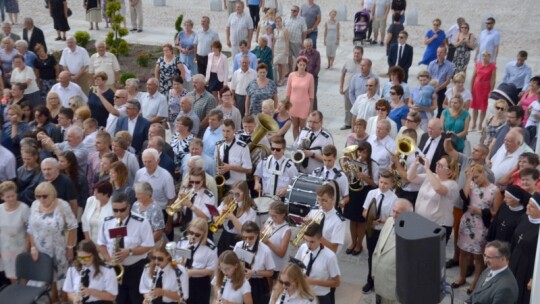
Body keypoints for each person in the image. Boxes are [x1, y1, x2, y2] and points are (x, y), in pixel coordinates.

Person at [97, 192, 155, 304]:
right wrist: (109, 261)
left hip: (136, 268)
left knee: (136, 300)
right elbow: (101, 244)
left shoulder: (141, 222)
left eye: (122, 210)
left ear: (129, 207)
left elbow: (149, 245)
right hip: (116, 269)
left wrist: (129, 252)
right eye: (115, 210)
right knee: (119, 300)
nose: (118, 214)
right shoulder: (107, 222)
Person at [452, 164, 502, 294]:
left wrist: (479, 211)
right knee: (463, 251)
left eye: (477, 177)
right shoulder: (472, 185)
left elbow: (496, 212)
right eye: (473, 178)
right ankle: (461, 277)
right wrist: (469, 178)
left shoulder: (494, 190)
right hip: (467, 222)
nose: (475, 180)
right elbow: (463, 195)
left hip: (481, 226)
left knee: (477, 256)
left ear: (484, 173)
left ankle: (475, 282)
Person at [28, 181, 78, 303]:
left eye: (44, 196)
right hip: (41, 250)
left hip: (59, 249)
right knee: (48, 278)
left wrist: (70, 247)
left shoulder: (62, 205)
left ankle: (63, 299)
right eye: (38, 196)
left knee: (62, 279)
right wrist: (33, 247)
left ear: (52, 194)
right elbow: (30, 229)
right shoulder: (35, 205)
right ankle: (53, 298)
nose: (41, 199)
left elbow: (72, 226)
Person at [361, 170, 398, 294]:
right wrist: (370, 218)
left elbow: (394, 217)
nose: (382, 185)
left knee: (382, 258)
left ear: (392, 184)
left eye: (386, 183)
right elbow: (364, 211)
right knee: (372, 255)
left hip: (384, 231)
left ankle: (380, 281)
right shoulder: (371, 193)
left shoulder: (394, 199)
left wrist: (382, 221)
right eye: (381, 182)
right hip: (371, 229)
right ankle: (370, 281)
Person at [408, 155, 459, 242]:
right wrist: (415, 164)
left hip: (438, 226)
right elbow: (410, 177)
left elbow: (438, 188)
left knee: (431, 254)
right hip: (421, 222)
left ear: (449, 171)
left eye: (441, 165)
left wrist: (427, 169)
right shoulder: (431, 176)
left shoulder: (452, 184)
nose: (437, 166)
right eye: (437, 164)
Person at [372, 199, 414, 303]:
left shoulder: (412, 236)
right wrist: (374, 271)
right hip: (380, 279)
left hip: (395, 287)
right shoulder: (390, 221)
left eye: (398, 213)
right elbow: (378, 247)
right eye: (393, 211)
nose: (394, 215)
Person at [294, 223, 340, 304]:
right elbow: (296, 265)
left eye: (312, 242)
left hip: (320, 296)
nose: (308, 245)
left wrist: (313, 281)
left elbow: (336, 282)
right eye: (306, 240)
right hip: (303, 293)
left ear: (320, 239)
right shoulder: (303, 247)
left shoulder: (330, 257)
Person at [174, 217, 217, 304]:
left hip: (199, 282)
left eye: (197, 235)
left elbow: (211, 270)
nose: (193, 236)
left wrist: (191, 272)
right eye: (191, 232)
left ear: (204, 234)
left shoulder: (210, 248)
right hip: (183, 279)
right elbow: (176, 259)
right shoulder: (183, 242)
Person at [508, 194, 540, 304]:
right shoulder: (524, 218)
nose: (527, 207)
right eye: (528, 204)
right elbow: (514, 239)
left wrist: (534, 278)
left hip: (529, 266)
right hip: (515, 258)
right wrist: (508, 257)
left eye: (532, 206)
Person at [233, 221, 275, 303]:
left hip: (258, 284)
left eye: (251, 238)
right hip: (241, 281)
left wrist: (254, 272)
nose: (247, 240)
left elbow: (270, 273)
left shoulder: (265, 250)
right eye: (245, 237)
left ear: (257, 234)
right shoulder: (238, 245)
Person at [216, 181, 256, 255]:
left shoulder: (251, 211)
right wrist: (221, 214)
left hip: (238, 239)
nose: (234, 196)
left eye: (237, 194)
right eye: (232, 193)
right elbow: (215, 217)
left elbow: (245, 231)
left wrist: (233, 218)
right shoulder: (226, 202)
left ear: (245, 193)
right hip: (225, 236)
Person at [0, 181, 29, 283]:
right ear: (2, 197)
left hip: (21, 246)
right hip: (5, 247)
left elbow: (29, 229)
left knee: (23, 273)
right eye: (8, 197)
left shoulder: (24, 208)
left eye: (13, 195)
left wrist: (27, 247)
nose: (11, 199)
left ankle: (24, 295)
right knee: (11, 274)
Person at [215, 119, 252, 190]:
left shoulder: (242, 146)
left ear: (234, 130)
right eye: (223, 131)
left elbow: (249, 169)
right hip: (223, 184)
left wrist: (230, 167)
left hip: (238, 186)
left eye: (228, 131)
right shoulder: (219, 145)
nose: (225, 134)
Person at [287, 56, 315, 139]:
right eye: (300, 65)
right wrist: (287, 105)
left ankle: (301, 142)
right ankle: (296, 142)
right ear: (297, 65)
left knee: (303, 127)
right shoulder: (292, 75)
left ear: (306, 66)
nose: (302, 67)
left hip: (304, 105)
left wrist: (311, 108)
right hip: (293, 105)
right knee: (295, 126)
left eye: (304, 65)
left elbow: (311, 94)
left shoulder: (310, 77)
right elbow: (288, 92)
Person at [470, 51, 497, 131]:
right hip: (477, 86)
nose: (484, 58)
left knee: (483, 107)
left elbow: (493, 79)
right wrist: (471, 88)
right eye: (483, 56)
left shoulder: (492, 66)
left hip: (486, 87)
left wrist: (491, 91)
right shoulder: (478, 64)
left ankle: (480, 124)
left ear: (489, 57)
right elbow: (473, 76)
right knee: (475, 106)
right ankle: (473, 123)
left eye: (486, 56)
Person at [339, 46, 363, 130]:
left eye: (358, 53)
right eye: (355, 53)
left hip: (359, 91)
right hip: (348, 89)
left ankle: (359, 124)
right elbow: (342, 74)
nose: (356, 55)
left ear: (362, 54)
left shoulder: (364, 64)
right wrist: (341, 87)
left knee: (359, 108)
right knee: (347, 107)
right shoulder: (347, 62)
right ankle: (347, 123)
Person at [428, 46, 455, 118]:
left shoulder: (449, 65)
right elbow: (428, 77)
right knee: (428, 106)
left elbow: (448, 80)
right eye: (438, 52)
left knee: (441, 109)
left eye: (441, 52)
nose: (438, 54)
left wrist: (438, 88)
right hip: (431, 88)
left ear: (445, 53)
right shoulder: (431, 63)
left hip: (442, 88)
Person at [284, 5, 307, 75]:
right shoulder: (286, 18)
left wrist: (303, 42)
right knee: (289, 58)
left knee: (299, 58)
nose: (292, 12)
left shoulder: (301, 20)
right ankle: (290, 72)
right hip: (288, 42)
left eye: (294, 11)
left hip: (297, 42)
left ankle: (300, 71)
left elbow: (304, 31)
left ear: (298, 12)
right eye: (291, 10)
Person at [298, 38, 321, 110]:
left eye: (310, 45)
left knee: (313, 94)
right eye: (307, 46)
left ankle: (314, 110)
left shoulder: (316, 53)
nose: (309, 47)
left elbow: (318, 66)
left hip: (313, 77)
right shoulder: (301, 53)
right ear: (304, 46)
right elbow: (298, 64)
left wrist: (312, 75)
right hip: (302, 76)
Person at [273, 15, 289, 86]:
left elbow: (287, 40)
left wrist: (287, 50)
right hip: (277, 48)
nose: (277, 23)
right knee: (278, 64)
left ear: (281, 21)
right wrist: (273, 49)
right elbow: (274, 40)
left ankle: (283, 79)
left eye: (279, 21)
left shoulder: (285, 30)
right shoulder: (275, 30)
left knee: (283, 64)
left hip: (283, 48)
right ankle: (280, 78)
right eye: (276, 21)